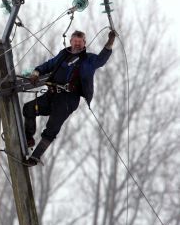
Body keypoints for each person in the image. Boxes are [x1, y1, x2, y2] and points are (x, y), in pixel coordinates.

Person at [22, 29, 116, 166]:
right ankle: (28, 137)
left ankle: (35, 157)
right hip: (52, 95)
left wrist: (110, 42)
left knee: (51, 128)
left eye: (80, 42)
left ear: (84, 43)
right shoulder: (63, 54)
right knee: (28, 108)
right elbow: (50, 64)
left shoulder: (88, 59)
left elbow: (102, 59)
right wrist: (36, 71)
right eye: (75, 41)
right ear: (71, 41)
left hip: (67, 100)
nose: (77, 44)